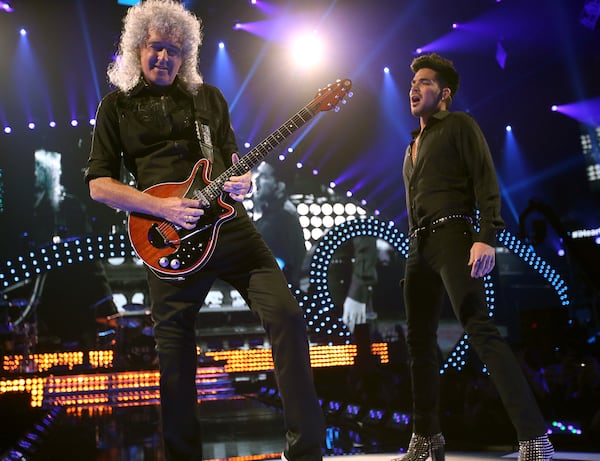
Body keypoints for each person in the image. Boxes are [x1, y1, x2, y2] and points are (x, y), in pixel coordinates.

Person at [84, 2, 324, 460]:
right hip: (169, 240)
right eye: (157, 47)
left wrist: (244, 179)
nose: (165, 58)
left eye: (175, 51)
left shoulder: (208, 98)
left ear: (186, 55)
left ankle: (307, 451)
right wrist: (162, 208)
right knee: (175, 361)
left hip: (230, 229)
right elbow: (99, 184)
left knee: (289, 317)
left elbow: (235, 161)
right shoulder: (114, 108)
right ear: (138, 48)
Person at [394, 53, 554, 461]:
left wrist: (485, 237)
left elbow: (486, 181)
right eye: (413, 83)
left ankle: (535, 436)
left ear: (444, 94)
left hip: (454, 235)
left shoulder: (460, 125)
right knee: (419, 344)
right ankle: (426, 436)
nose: (414, 88)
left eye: (425, 83)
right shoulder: (411, 145)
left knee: (479, 330)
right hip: (419, 246)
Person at [252, 161, 306, 287]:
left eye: (264, 176)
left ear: (280, 186)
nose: (257, 179)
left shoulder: (286, 216)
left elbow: (293, 264)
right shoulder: (268, 216)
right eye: (258, 174)